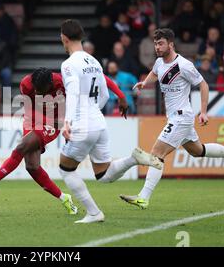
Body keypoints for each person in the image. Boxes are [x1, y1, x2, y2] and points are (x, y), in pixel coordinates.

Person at [119, 28, 224, 209]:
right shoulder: (160, 62)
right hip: (176, 118)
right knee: (198, 151)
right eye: (155, 43)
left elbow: (203, 84)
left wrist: (204, 111)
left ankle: (143, 197)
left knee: (156, 154)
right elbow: (155, 73)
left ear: (171, 44)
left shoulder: (184, 65)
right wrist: (145, 82)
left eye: (161, 43)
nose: (157, 47)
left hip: (181, 117)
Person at [0, 66, 130, 215]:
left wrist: (120, 95)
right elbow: (31, 109)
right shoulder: (26, 85)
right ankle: (64, 198)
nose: (37, 92)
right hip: (33, 119)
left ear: (50, 84)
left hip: (54, 122)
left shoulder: (63, 81)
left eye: (41, 90)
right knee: (32, 166)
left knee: (20, 148)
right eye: (36, 89)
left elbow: (100, 77)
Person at [58, 19, 161, 223]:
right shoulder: (94, 61)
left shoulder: (69, 64)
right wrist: (94, 110)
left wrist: (68, 121)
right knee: (103, 174)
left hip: (82, 122)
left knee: (66, 170)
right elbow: (105, 94)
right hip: (99, 121)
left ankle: (94, 213)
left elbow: (73, 92)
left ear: (64, 38)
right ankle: (133, 159)